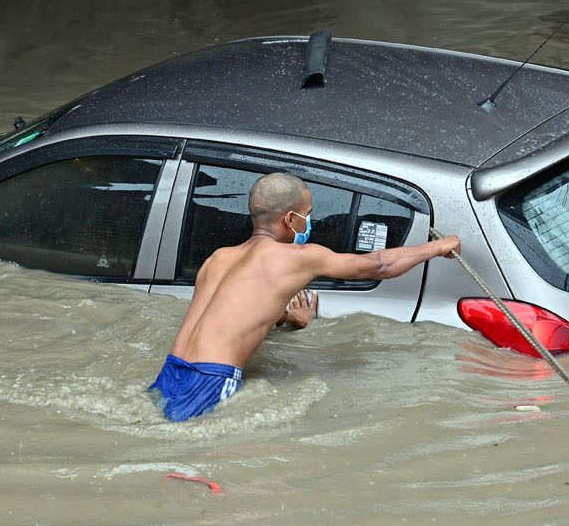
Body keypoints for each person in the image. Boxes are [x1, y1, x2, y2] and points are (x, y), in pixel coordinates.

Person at [149, 172, 461, 422]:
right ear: (289, 219)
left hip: (170, 374)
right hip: (212, 381)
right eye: (307, 215)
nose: (309, 222)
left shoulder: (218, 258)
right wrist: (437, 246)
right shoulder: (295, 257)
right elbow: (378, 265)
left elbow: (226, 315)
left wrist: (286, 318)